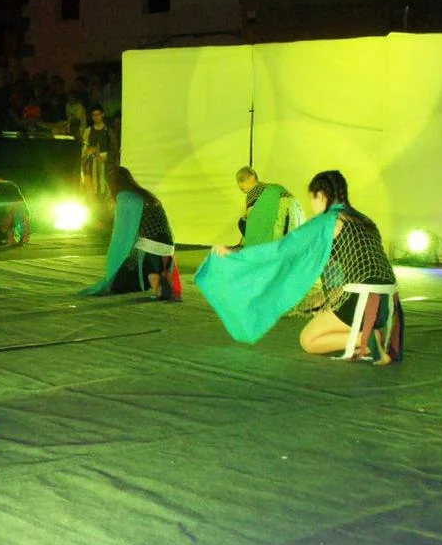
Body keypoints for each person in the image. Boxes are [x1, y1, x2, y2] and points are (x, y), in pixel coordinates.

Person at [195, 170, 404, 364]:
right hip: (387, 303)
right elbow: (347, 266)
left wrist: (236, 254)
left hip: (361, 299)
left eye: (312, 198)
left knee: (309, 341)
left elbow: (284, 249)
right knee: (323, 326)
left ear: (320, 196)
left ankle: (364, 338)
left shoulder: (328, 220)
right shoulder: (364, 221)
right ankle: (369, 338)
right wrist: (326, 298)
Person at [80, 166, 182, 300]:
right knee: (141, 267)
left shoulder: (124, 197)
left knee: (118, 283)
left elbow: (122, 232)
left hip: (149, 247)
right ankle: (159, 279)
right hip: (168, 246)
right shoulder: (146, 195)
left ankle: (154, 280)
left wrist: (115, 255)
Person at [235, 167, 304, 246]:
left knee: (242, 222)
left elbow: (251, 218)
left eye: (242, 180)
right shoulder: (268, 187)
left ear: (252, 177)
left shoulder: (253, 191)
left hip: (279, 218)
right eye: (238, 182)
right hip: (295, 214)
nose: (240, 185)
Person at [82, 108, 116, 199]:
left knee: (105, 189)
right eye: (94, 115)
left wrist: (106, 157)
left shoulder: (108, 131)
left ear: (102, 115)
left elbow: (114, 148)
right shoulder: (88, 131)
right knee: (92, 191)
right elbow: (84, 148)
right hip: (92, 164)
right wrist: (88, 152)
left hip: (105, 164)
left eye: (98, 115)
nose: (96, 117)